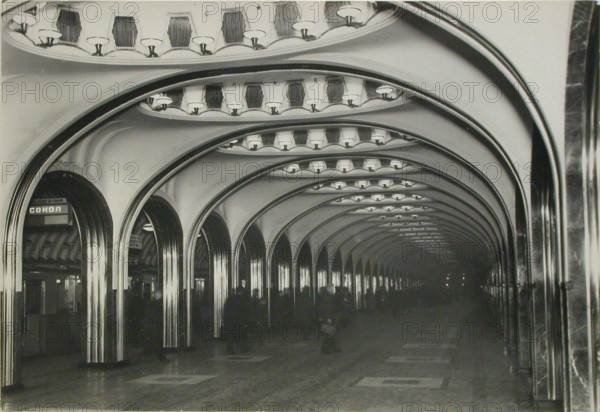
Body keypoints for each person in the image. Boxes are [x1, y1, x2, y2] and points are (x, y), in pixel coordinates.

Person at [143, 290, 169, 362]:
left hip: (153, 325)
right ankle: (161, 357)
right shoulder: (157, 304)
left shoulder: (151, 304)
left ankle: (148, 353)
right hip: (156, 325)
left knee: (153, 341)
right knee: (158, 342)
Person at [317, 284, 341, 354]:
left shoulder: (324, 296)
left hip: (326, 317)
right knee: (329, 333)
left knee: (330, 332)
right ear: (329, 289)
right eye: (333, 289)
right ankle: (326, 349)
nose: (334, 290)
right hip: (328, 318)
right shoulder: (327, 297)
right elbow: (327, 308)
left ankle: (332, 348)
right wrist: (328, 317)